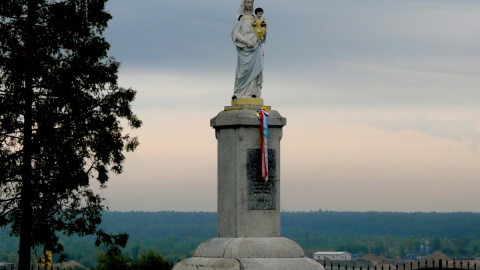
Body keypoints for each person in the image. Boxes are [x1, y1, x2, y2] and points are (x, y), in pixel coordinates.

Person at [231, 0, 264, 100]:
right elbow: (235, 34)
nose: (249, 5)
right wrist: (246, 42)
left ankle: (252, 92)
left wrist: (261, 35)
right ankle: (239, 93)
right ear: (243, 4)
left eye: (250, 2)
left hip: (255, 46)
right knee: (243, 70)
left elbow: (260, 32)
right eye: (247, 2)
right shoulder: (239, 17)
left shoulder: (255, 18)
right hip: (244, 47)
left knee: (255, 69)